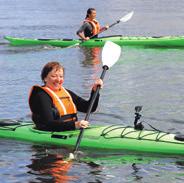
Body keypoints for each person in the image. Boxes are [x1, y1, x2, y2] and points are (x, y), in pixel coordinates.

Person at [29, 61, 103, 132]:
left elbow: (89, 108)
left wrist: (95, 91)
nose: (58, 80)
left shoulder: (66, 92)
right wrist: (75, 125)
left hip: (70, 129)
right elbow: (48, 124)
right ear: (45, 78)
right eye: (54, 76)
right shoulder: (41, 95)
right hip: (49, 130)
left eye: (61, 76)